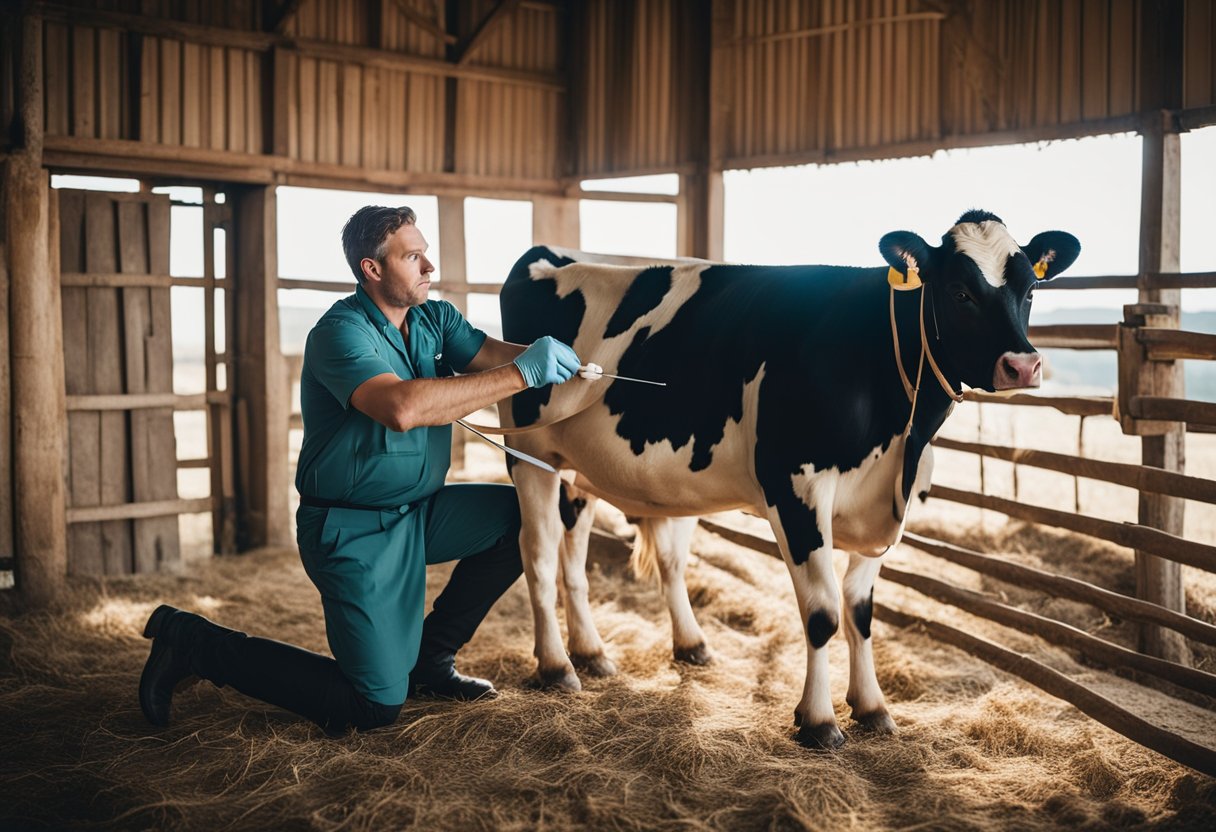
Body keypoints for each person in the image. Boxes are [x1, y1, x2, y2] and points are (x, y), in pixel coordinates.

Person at [139, 205, 582, 734]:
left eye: (425, 252)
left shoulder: (434, 319)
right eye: (413, 257)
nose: (429, 268)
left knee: (531, 517)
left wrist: (552, 358)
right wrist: (522, 371)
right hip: (352, 530)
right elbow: (401, 409)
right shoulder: (338, 333)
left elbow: (491, 357)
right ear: (373, 270)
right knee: (371, 707)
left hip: (419, 513)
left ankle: (430, 662)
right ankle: (193, 643)